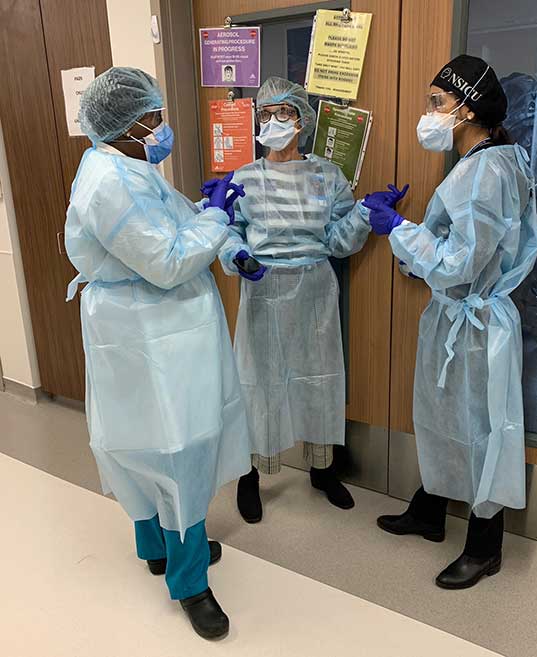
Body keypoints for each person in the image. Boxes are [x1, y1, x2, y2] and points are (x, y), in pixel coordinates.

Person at [64, 67, 251, 639]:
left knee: (137, 437)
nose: (161, 125)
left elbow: (162, 223)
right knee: (178, 444)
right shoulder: (110, 182)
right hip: (152, 331)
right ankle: (191, 582)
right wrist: (218, 216)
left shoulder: (124, 165)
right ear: (129, 122)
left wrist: (203, 207)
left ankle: (157, 546)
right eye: (154, 116)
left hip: (144, 329)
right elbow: (167, 261)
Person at [364, 55, 537, 589]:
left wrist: (399, 229)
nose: (430, 113)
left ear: (468, 110)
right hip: (460, 318)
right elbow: (463, 246)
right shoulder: (483, 163)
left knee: (483, 431)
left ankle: (486, 547)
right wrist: (414, 230)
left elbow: (460, 264)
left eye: (437, 103)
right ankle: (429, 509)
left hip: (476, 321)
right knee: (445, 416)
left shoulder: (485, 170)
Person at [218, 77, 380, 523]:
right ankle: (250, 475)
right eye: (265, 114)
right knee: (257, 383)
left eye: (283, 113)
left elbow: (338, 239)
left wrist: (365, 214)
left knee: (319, 378)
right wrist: (238, 256)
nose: (273, 122)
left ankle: (323, 472)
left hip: (314, 290)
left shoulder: (327, 175)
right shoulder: (244, 178)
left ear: (302, 120)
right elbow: (227, 231)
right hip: (262, 288)